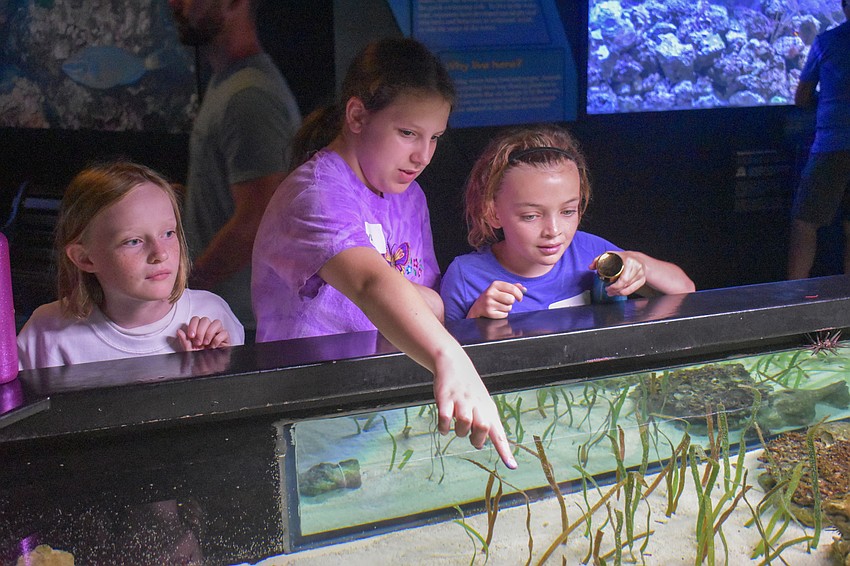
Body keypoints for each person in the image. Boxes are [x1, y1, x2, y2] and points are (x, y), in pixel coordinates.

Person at [252, 37, 516, 469]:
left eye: (434, 137)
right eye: (408, 133)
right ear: (357, 115)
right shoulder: (317, 193)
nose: (423, 155)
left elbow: (427, 302)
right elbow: (370, 281)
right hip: (309, 417)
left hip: (380, 408)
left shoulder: (408, 196)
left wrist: (426, 310)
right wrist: (450, 355)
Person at [440, 125, 695, 322]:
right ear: (492, 212)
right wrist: (475, 320)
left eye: (568, 211)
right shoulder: (466, 277)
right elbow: (444, 361)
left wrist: (638, 264)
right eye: (531, 216)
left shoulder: (590, 252)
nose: (554, 231)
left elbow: (685, 291)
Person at [17, 162, 243, 370]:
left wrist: (214, 374)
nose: (160, 253)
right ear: (85, 258)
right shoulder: (47, 333)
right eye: (133, 241)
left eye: (168, 233)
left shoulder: (213, 315)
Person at [169, 0, 301, 335]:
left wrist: (185, 287)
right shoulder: (231, 83)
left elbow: (258, 219)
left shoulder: (248, 96)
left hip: (241, 324)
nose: (175, 4)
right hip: (225, 320)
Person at [788, 0, 850, 279]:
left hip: (832, 145)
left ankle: (792, 299)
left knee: (805, 221)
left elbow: (801, 96)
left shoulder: (827, 42)